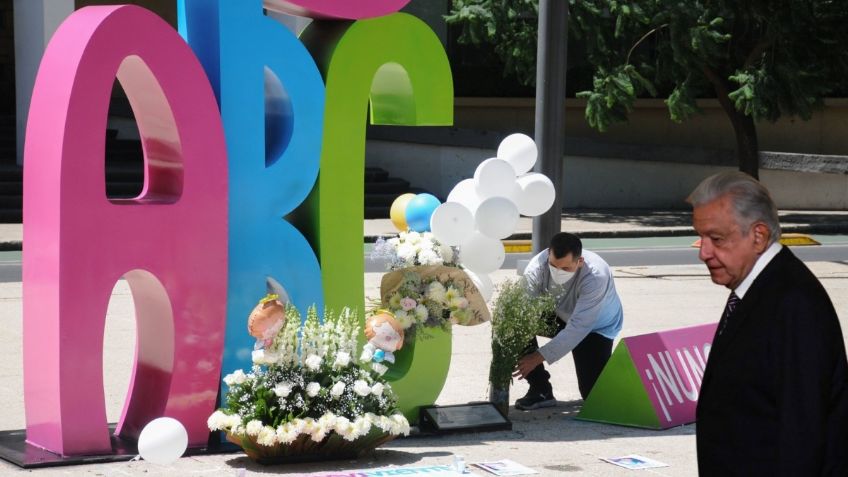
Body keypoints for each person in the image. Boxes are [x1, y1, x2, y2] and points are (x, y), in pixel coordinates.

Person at [688, 171, 848, 475]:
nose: (704, 253)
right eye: (701, 237)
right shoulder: (757, 286)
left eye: (717, 239)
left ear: (758, 236)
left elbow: (803, 434)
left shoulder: (794, 302)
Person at [512, 232, 623, 410]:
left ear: (580, 262)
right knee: (515, 323)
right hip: (558, 315)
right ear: (548, 253)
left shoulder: (596, 276)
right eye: (553, 266)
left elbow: (578, 328)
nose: (557, 272)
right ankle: (540, 390)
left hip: (594, 327)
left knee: (594, 395)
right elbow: (522, 309)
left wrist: (538, 357)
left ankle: (624, 374)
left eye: (565, 269)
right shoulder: (537, 266)